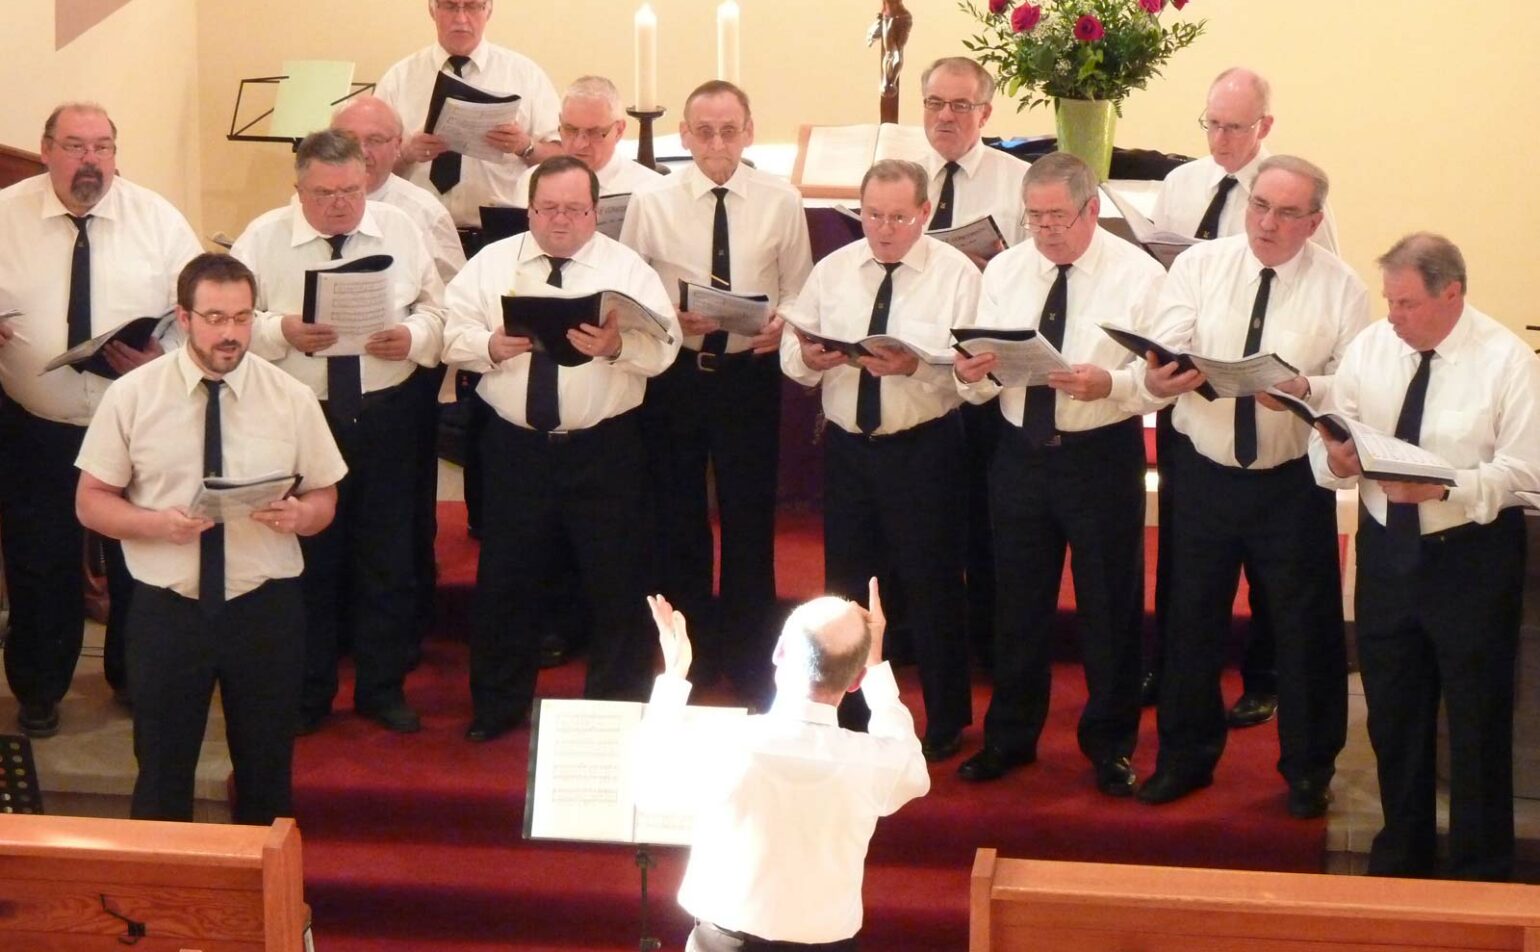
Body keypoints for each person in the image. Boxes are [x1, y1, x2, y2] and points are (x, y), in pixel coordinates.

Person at [75, 252, 346, 824]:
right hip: (167, 609)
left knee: (267, 769)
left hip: (264, 606)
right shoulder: (134, 395)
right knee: (162, 770)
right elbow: (91, 502)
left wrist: (303, 516)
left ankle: (259, 904)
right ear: (183, 317)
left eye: (243, 318)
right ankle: (162, 906)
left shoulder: (289, 396)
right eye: (216, 318)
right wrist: (156, 525)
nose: (230, 334)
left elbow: (326, 497)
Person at [1136, 155, 1366, 816]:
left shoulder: (1340, 287)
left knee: (1304, 629)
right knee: (1190, 621)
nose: (1267, 222)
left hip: (1289, 483)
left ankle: (1307, 768)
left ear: (1314, 220)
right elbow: (1169, 338)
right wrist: (1161, 373)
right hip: (1204, 470)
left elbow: (1355, 379)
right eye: (1259, 205)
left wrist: (1304, 389)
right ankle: (1185, 758)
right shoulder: (1202, 266)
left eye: (1287, 212)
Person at [1310, 233, 1540, 880]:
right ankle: (1400, 853)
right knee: (1394, 716)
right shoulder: (1372, 348)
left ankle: (1481, 867)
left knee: (1476, 720)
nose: (1393, 316)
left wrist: (1445, 488)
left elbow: (1527, 473)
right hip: (1387, 551)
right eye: (1390, 301)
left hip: (1470, 555)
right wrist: (1335, 457)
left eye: (1407, 303)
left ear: (1452, 294)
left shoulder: (1505, 361)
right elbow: (1334, 426)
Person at [443, 155, 680, 741]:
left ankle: (615, 717)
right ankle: (498, 708)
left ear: (596, 212)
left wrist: (616, 346)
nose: (560, 220)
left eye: (575, 209)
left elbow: (666, 349)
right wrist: (492, 345)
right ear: (530, 209)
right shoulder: (492, 263)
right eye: (548, 208)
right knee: (506, 580)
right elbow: (448, 333)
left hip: (603, 449)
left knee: (616, 581)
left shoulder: (627, 270)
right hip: (515, 450)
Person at [953, 153, 1163, 795]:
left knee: (1108, 606)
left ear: (1091, 210)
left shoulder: (1139, 276)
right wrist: (973, 375)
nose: (1044, 230)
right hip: (1020, 452)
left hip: (1098, 453)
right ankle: (1010, 738)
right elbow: (982, 373)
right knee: (1016, 604)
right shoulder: (1008, 269)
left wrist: (1115, 383)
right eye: (1034, 217)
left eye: (1057, 218)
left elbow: (1165, 379)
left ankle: (1109, 745)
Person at [231, 130, 446, 735]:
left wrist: (414, 338)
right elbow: (234, 320)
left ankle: (382, 689)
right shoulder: (264, 237)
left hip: (386, 413)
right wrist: (282, 332)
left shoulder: (400, 228)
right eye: (324, 193)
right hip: (300, 417)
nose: (339, 204)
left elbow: (438, 308)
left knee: (388, 555)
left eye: (352, 190)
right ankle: (307, 693)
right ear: (297, 189)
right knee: (308, 560)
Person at [1146, 66, 1340, 727]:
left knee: (1282, 583)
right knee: (1190, 565)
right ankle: (1180, 698)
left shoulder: (1303, 210)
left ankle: (1267, 679)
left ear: (1265, 126)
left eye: (1235, 126)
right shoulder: (1180, 186)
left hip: (1280, 442)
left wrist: (1304, 385)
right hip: (1199, 408)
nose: (1222, 138)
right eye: (1213, 124)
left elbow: (1323, 308)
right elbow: (1161, 279)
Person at [0, 102, 201, 736]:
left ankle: (136, 679)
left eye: (103, 147)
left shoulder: (157, 218)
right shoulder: (6, 216)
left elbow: (199, 309)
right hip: (35, 425)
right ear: (48, 149)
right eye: (76, 146)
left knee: (137, 560)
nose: (91, 161)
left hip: (134, 424)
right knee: (40, 562)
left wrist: (161, 354)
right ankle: (38, 688)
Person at [620, 80, 812, 704]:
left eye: (730, 130)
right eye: (704, 131)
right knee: (679, 519)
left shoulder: (780, 200)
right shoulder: (653, 202)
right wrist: (670, 318)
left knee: (750, 519)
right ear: (684, 134)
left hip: (747, 378)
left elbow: (800, 291)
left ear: (750, 131)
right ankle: (690, 654)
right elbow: (629, 293)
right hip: (678, 378)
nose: (717, 143)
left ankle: (754, 656)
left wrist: (782, 319)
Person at [780, 159, 977, 762]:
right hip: (849, 449)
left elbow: (979, 374)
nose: (884, 228)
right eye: (872, 215)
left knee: (932, 582)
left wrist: (918, 365)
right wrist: (809, 360)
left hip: (923, 448)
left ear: (923, 213)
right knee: (846, 588)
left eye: (897, 216)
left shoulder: (956, 275)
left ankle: (945, 720)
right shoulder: (835, 269)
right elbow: (794, 345)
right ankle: (848, 714)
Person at [638, 577, 929, 950]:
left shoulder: (724, 741)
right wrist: (877, 671)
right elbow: (913, 767)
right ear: (856, 680)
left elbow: (649, 785)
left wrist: (674, 674)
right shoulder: (874, 761)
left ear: (778, 652)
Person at [918, 57, 1031, 672]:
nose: (945, 116)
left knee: (986, 516)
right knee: (922, 514)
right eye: (936, 102)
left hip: (984, 371)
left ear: (986, 114)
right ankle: (916, 634)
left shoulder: (1017, 181)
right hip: (916, 372)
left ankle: (987, 640)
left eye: (960, 106)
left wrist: (996, 271)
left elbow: (1040, 275)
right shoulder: (905, 177)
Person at [376, 0, 562, 245]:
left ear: (489, 10)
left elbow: (561, 161)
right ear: (432, 10)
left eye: (473, 6)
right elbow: (366, 169)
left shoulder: (525, 75)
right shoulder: (399, 79)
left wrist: (524, 145)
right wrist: (406, 153)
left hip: (499, 236)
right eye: (450, 6)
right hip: (417, 233)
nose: (461, 18)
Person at [333, 94, 466, 285]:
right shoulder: (306, 203)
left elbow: (456, 296)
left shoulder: (425, 213)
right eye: (348, 139)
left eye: (375, 140)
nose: (361, 151)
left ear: (397, 146)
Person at [512, 75, 661, 206]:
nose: (580, 144)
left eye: (594, 132)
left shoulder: (649, 190)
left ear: (619, 130)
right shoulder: (531, 182)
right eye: (571, 129)